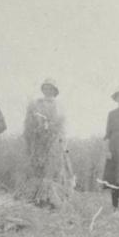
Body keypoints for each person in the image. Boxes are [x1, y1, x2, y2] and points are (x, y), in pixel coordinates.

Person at [19, 78, 74, 209]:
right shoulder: (36, 104)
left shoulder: (59, 105)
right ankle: (34, 198)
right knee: (37, 167)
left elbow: (62, 124)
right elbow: (29, 122)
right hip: (38, 141)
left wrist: (52, 129)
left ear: (54, 91)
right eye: (46, 88)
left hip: (54, 140)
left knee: (54, 168)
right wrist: (36, 130)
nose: (48, 91)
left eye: (51, 89)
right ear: (43, 90)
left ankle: (52, 200)